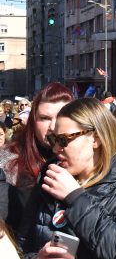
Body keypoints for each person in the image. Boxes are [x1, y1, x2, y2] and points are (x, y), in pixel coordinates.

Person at [22, 97, 116, 259]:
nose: (55, 149)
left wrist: (75, 197)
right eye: (53, 139)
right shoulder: (50, 174)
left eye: (63, 140)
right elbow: (24, 240)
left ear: (96, 138)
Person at [0, 83, 72, 231]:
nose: (53, 127)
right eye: (45, 118)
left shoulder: (86, 158)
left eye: (60, 117)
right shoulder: (8, 159)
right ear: (33, 120)